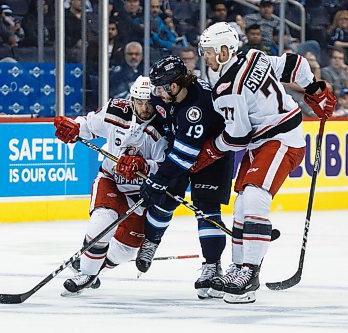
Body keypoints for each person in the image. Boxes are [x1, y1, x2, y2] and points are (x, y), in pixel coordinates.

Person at [196, 22, 336, 304]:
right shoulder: (253, 57)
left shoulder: (227, 87)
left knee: (255, 198)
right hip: (262, 142)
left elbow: (236, 137)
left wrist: (212, 149)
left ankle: (250, 272)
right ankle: (238, 267)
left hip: (282, 138)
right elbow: (295, 63)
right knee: (241, 204)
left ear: (225, 51)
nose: (206, 56)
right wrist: (314, 89)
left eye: (210, 51)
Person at [53, 76, 168, 295]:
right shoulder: (116, 110)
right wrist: (73, 128)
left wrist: (144, 165)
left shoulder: (165, 126)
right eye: (139, 101)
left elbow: (168, 166)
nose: (144, 108)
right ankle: (85, 274)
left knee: (126, 250)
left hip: (142, 193)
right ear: (131, 98)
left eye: (149, 102)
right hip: (112, 181)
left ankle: (92, 267)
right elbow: (87, 125)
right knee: (103, 220)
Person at [135, 55, 235, 299]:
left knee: (207, 209)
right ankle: (151, 240)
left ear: (175, 85)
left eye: (160, 86)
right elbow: (154, 119)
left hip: (212, 157)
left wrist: (158, 178)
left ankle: (212, 266)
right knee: (165, 201)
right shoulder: (164, 94)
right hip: (179, 149)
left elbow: (185, 156)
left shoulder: (197, 106)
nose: (156, 92)